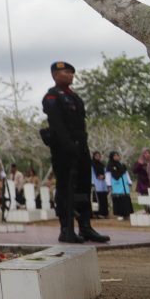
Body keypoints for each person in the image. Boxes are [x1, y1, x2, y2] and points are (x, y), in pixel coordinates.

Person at [42, 61, 109, 243]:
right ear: (55, 75)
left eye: (72, 72)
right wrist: (69, 146)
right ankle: (66, 229)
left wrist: (79, 147)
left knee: (83, 187)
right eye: (66, 72)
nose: (70, 75)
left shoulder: (75, 97)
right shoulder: (52, 97)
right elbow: (58, 125)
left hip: (81, 148)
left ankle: (85, 227)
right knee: (65, 188)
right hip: (63, 150)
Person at [107, 151, 133, 220]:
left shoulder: (122, 165)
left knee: (125, 199)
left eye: (117, 155)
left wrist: (129, 182)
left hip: (124, 185)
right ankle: (120, 214)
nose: (116, 157)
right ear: (112, 157)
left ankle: (126, 214)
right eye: (114, 156)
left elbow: (126, 174)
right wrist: (109, 185)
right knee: (119, 200)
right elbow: (108, 176)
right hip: (116, 185)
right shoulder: (110, 165)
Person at [91, 150, 109, 219]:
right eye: (96, 156)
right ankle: (97, 213)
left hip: (103, 184)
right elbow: (92, 174)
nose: (98, 157)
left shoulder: (102, 165)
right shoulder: (92, 165)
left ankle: (104, 213)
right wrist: (94, 181)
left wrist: (104, 176)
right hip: (96, 184)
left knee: (103, 199)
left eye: (99, 156)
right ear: (94, 156)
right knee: (96, 199)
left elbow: (105, 172)